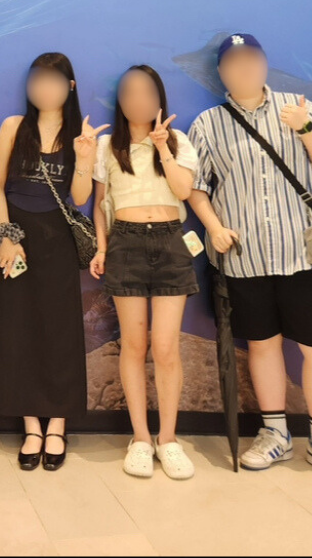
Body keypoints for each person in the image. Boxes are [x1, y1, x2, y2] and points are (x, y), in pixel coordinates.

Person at [187, 33, 312, 488]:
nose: (244, 68)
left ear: (265, 63)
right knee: (262, 346)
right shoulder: (208, 123)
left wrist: (305, 128)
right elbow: (197, 187)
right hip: (245, 258)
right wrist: (213, 227)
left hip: (305, 253)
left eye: (252, 59)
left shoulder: (299, 106)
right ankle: (275, 435)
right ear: (221, 72)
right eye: (233, 62)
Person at [0, 52, 100, 471]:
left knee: (59, 332)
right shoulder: (13, 126)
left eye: (53, 80)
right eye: (37, 80)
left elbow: (81, 198)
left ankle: (57, 425)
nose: (44, 88)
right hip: (17, 240)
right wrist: (6, 236)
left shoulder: (79, 134)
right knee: (16, 330)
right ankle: (31, 426)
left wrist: (85, 158)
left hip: (58, 242)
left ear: (70, 86)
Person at [90, 66, 200, 480]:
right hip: (126, 241)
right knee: (133, 346)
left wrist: (162, 148)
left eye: (146, 92)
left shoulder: (178, 140)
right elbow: (99, 204)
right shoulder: (107, 146)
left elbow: (184, 191)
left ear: (159, 99)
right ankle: (140, 438)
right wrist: (102, 247)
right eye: (129, 93)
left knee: (166, 347)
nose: (138, 99)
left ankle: (168, 439)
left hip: (171, 240)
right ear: (120, 101)